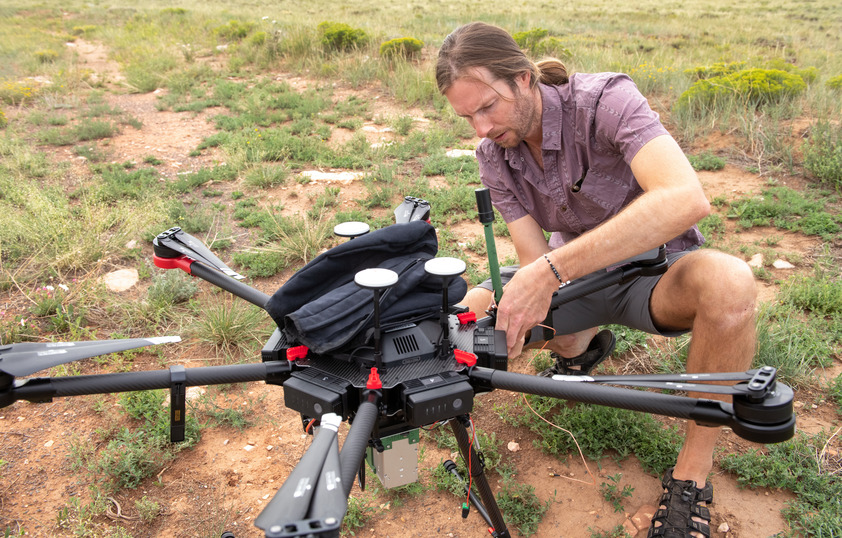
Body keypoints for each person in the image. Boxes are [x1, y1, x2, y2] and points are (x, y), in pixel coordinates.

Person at [436, 22, 757, 538]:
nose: (479, 127)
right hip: (575, 277)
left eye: (487, 106)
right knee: (475, 306)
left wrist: (552, 272)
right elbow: (532, 258)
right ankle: (578, 349)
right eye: (466, 116)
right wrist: (508, 312)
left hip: (656, 274)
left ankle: (692, 476)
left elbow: (685, 197)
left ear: (523, 79)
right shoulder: (493, 155)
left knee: (730, 282)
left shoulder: (605, 100)